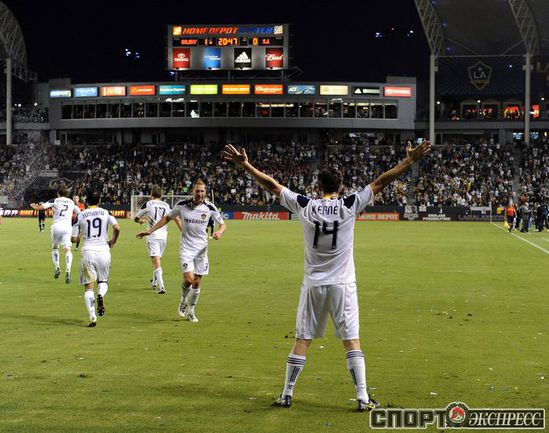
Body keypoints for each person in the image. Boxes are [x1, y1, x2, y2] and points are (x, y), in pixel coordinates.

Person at [223, 140, 431, 412]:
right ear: (340, 187)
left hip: (313, 285)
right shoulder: (349, 204)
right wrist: (409, 161)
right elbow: (381, 181)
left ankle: (286, 394)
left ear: (318, 186)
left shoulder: (305, 205)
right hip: (343, 284)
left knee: (302, 339)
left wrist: (245, 165)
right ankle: (362, 397)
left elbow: (272, 185)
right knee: (351, 340)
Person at [137, 180, 226, 323]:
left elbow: (222, 224)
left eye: (202, 191)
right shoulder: (182, 205)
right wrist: (150, 231)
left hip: (202, 250)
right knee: (188, 280)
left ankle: (191, 311)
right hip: (187, 248)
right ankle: (184, 300)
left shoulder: (210, 207)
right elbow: (167, 218)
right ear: (193, 191)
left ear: (205, 192)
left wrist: (219, 232)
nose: (199, 194)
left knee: (196, 282)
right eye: (197, 191)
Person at [75, 191, 120, 327]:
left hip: (88, 251)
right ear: (99, 200)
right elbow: (117, 227)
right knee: (103, 281)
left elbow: (75, 238)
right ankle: (100, 294)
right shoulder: (106, 212)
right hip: (103, 251)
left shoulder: (81, 214)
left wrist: (74, 238)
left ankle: (92, 317)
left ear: (87, 201)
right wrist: (113, 241)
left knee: (88, 287)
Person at [134, 186, 181, 294]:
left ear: (151, 194)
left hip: (152, 235)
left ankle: (162, 286)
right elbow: (177, 219)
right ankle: (155, 282)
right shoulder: (167, 205)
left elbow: (136, 218)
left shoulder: (148, 204)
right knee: (157, 259)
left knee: (156, 261)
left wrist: (140, 221)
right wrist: (183, 232)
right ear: (161, 195)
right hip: (164, 236)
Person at [31, 185, 80, 283]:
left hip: (56, 226)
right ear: (67, 194)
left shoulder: (55, 200)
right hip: (67, 227)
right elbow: (79, 212)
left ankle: (57, 267)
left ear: (58, 193)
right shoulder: (71, 202)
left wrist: (33, 206)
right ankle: (68, 270)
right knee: (67, 249)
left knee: (55, 248)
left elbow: (41, 207)